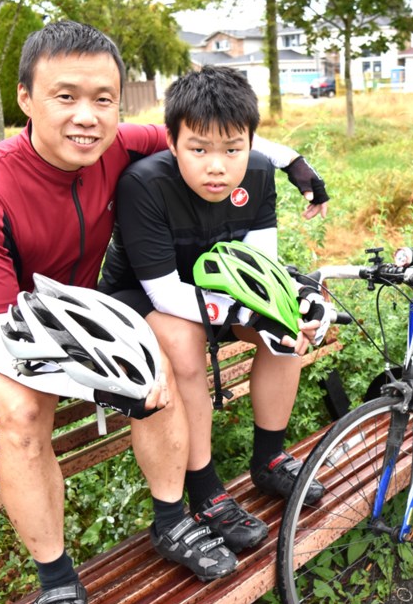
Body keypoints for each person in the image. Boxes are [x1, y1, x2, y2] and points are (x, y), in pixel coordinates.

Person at [0, 21, 328, 604]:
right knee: (21, 413)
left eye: (103, 99)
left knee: (153, 358)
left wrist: (293, 163)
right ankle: (58, 583)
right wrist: (101, 385)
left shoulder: (116, 144)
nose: (86, 117)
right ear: (25, 98)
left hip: (84, 308)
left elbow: (214, 136)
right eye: (64, 96)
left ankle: (172, 519)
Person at [97, 66, 334, 560]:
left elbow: (261, 265)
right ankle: (206, 492)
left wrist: (285, 305)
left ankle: (269, 461)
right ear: (172, 142)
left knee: (287, 320)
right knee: (183, 342)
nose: (217, 167)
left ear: (252, 143)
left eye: (232, 149)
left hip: (214, 284)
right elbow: (166, 295)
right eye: (198, 149)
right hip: (143, 293)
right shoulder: (144, 185)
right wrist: (246, 314)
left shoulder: (262, 173)